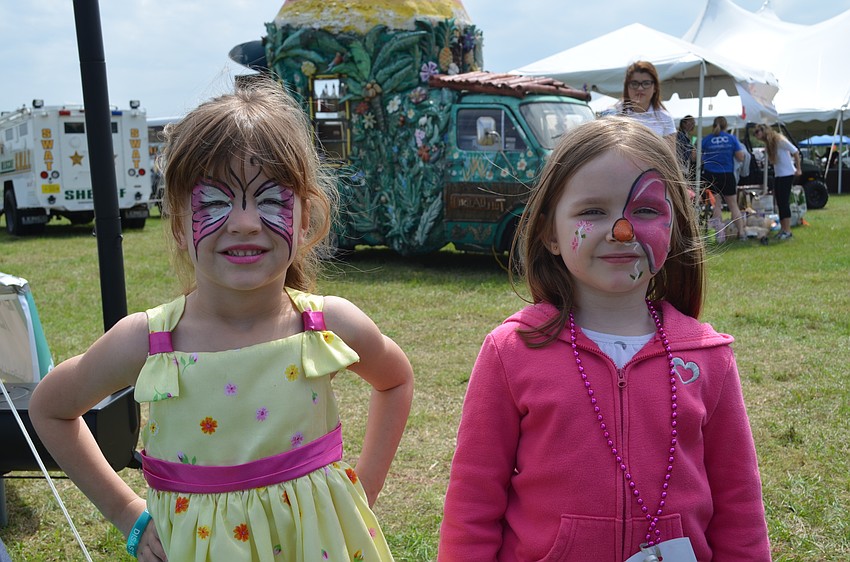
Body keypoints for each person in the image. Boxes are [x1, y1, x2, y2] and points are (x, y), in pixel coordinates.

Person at [30, 79, 414, 562]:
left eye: (271, 199)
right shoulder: (149, 340)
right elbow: (50, 409)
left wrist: (365, 490)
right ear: (176, 220)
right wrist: (126, 511)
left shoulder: (327, 324)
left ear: (304, 216)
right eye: (214, 201)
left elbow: (395, 381)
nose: (245, 222)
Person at [439, 117, 771, 562]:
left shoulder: (708, 358)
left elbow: (740, 509)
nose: (622, 231)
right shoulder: (512, 352)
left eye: (646, 211)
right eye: (592, 211)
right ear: (549, 234)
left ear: (672, 228)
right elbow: (472, 502)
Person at [603, 60, 676, 150]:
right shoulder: (613, 114)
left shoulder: (665, 118)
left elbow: (670, 157)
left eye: (646, 83)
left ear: (655, 88)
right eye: (634, 83)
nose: (640, 88)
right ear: (627, 87)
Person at [701, 116, 746, 242]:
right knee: (733, 205)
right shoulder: (731, 139)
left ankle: (720, 236)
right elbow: (741, 157)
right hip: (727, 173)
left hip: (711, 175)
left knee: (717, 206)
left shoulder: (707, 139)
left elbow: (696, 156)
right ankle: (742, 233)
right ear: (726, 126)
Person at [753, 124, 801, 241]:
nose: (756, 135)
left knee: (784, 202)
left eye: (757, 132)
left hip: (787, 174)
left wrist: (798, 168)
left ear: (764, 130)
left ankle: (787, 230)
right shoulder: (769, 143)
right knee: (779, 202)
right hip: (779, 174)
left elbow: (795, 151)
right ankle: (783, 229)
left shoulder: (779, 140)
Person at [676, 115, 696, 179]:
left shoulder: (684, 135)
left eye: (694, 123)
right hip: (681, 167)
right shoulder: (681, 135)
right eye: (692, 123)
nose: (693, 125)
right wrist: (691, 152)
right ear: (684, 124)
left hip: (683, 167)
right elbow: (682, 153)